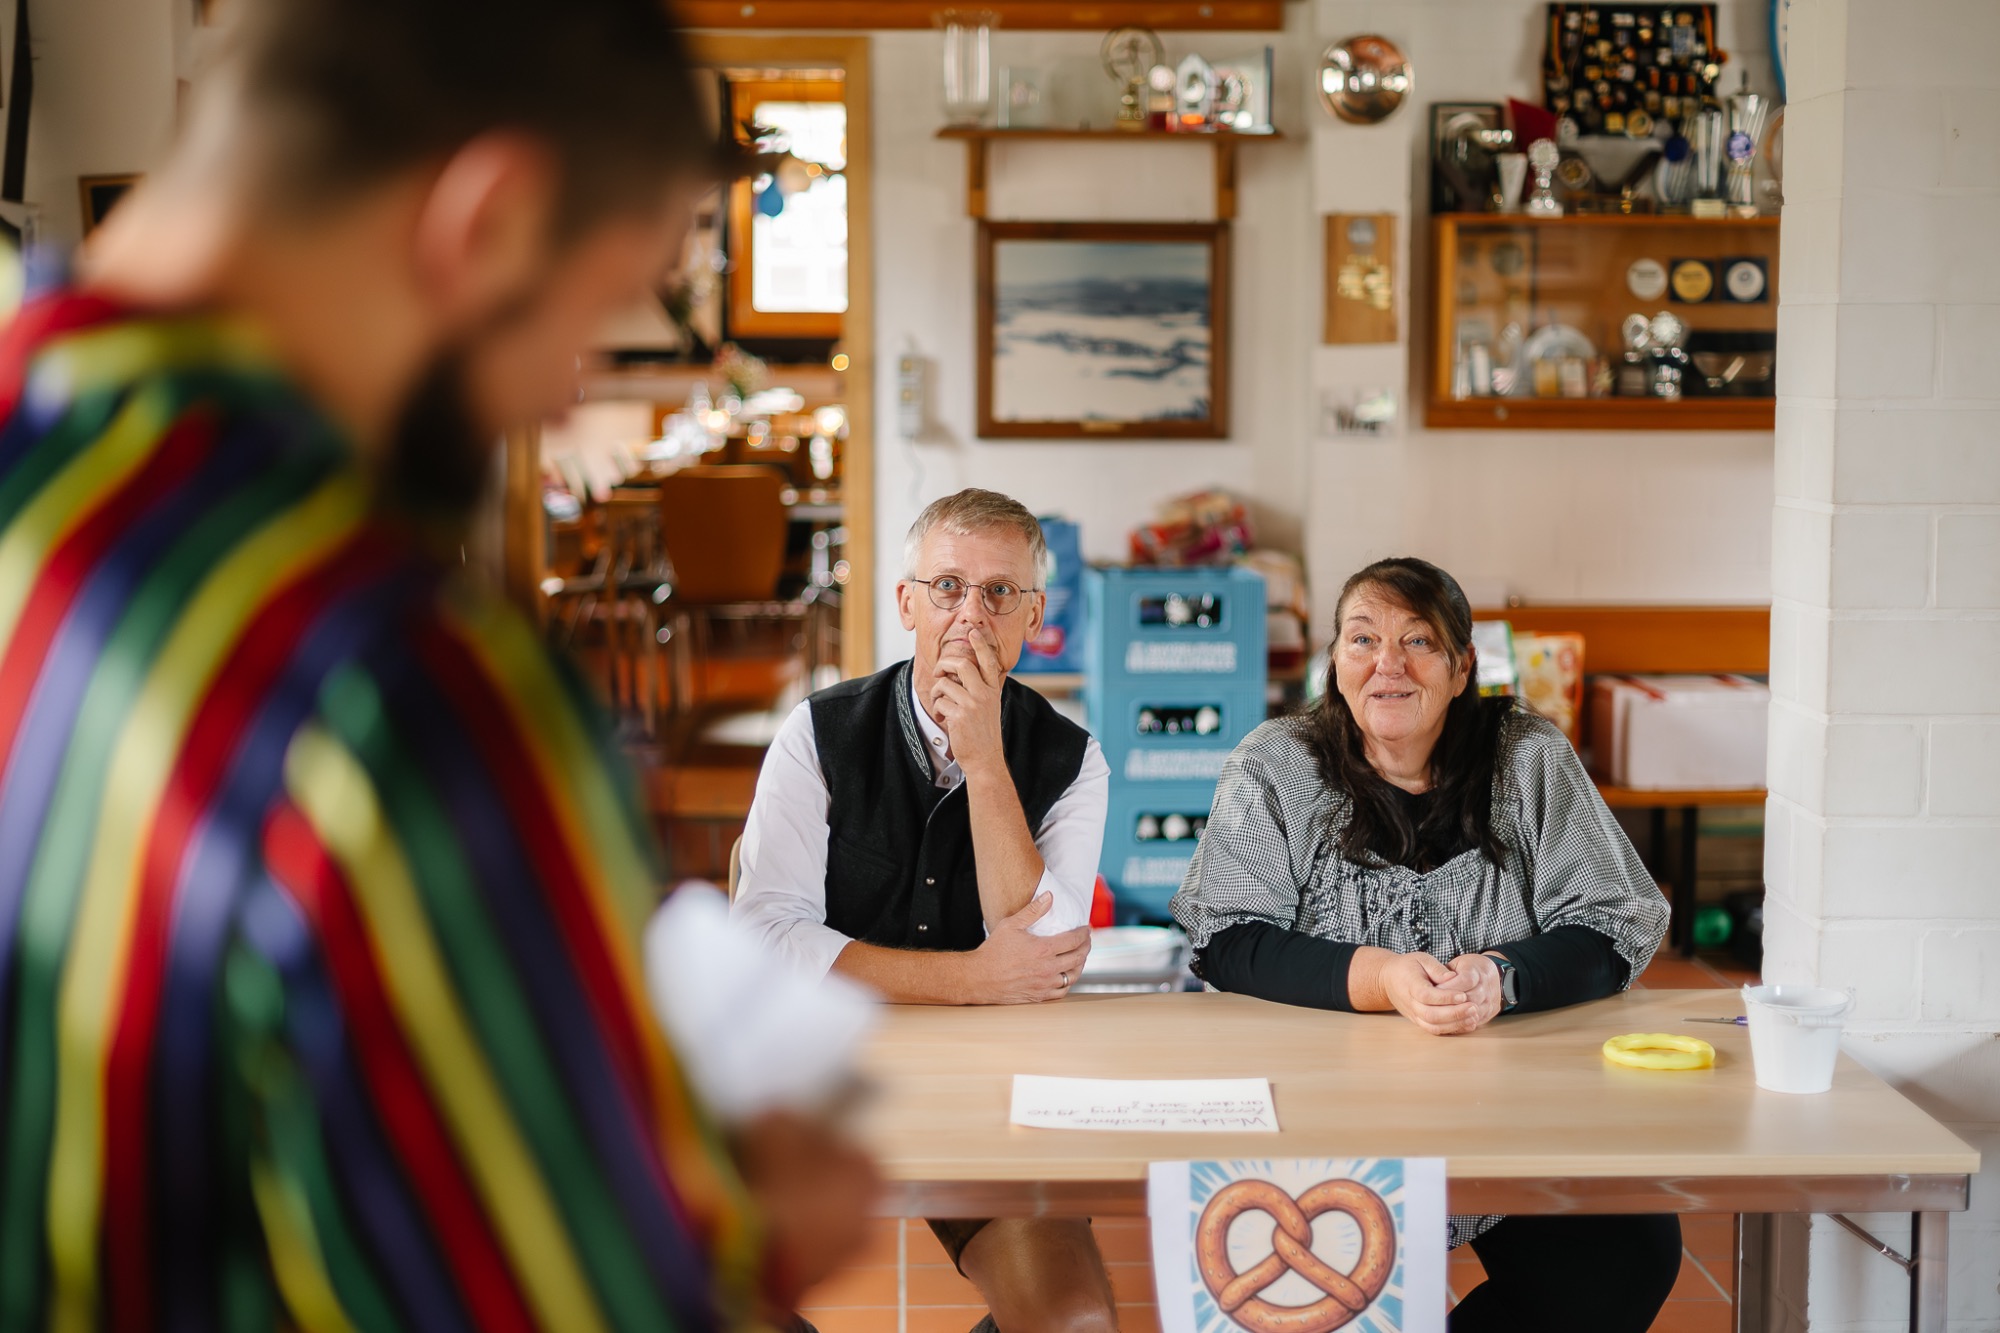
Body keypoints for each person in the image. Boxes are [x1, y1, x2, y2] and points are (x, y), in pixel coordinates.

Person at [0, 0, 875, 1329]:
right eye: (585, 318)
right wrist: (753, 1231)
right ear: (493, 221)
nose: (561, 397)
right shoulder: (390, 677)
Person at [1171, 556, 1678, 1333]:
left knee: (1627, 1250)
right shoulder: (1275, 764)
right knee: (1310, 1301)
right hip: (1321, 1113)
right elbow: (1228, 938)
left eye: (1418, 641)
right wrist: (1381, 976)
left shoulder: (1528, 757)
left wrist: (1501, 976)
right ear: (1334, 659)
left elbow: (1612, 924)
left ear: (1462, 664)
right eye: (1363, 639)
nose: (1388, 665)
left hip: (1512, 1109)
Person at [732, 488, 1118, 1333]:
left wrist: (984, 759)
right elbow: (764, 937)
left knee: (1076, 1318)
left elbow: (1046, 953)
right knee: (705, 1296)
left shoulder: (1073, 759)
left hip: (993, 1089)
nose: (971, 614)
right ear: (907, 603)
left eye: (999, 592)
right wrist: (972, 979)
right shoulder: (817, 733)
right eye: (947, 587)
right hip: (813, 1075)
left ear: (1033, 617)